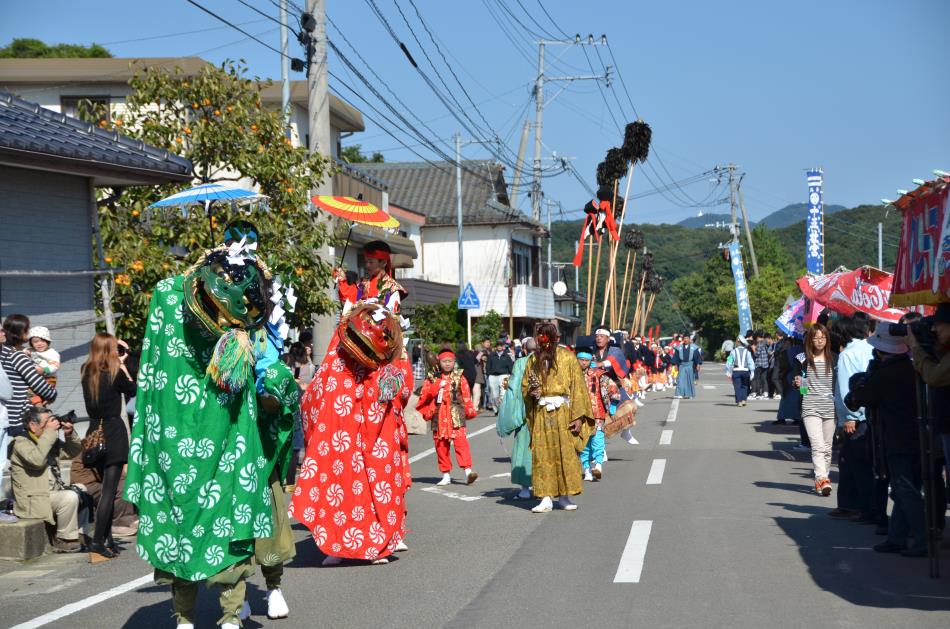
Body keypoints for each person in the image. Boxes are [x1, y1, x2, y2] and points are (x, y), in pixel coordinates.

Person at [124, 247, 281, 629]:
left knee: (213, 516)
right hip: (184, 428)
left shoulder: (228, 309)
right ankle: (191, 615)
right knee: (212, 515)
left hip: (215, 425)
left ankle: (225, 613)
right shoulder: (169, 296)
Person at [292, 276, 412, 566]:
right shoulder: (336, 363)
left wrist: (384, 392)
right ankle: (336, 544)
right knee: (338, 482)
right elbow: (315, 397)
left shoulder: (389, 358)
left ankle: (377, 544)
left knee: (377, 484)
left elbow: (402, 390)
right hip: (341, 436)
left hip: (376, 435)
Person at [846, 327, 926, 557]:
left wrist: (865, 379)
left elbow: (859, 398)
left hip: (896, 437)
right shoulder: (912, 367)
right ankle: (897, 536)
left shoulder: (885, 373)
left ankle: (921, 538)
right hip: (915, 434)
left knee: (904, 489)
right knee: (905, 488)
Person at [522, 323, 594, 513]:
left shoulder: (568, 357)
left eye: (546, 336)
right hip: (541, 412)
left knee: (566, 453)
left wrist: (578, 417)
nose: (543, 341)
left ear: (554, 338)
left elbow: (578, 388)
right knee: (542, 455)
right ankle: (545, 497)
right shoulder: (532, 360)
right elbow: (525, 386)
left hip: (563, 411)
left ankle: (564, 496)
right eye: (540, 337)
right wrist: (531, 392)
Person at [80, 333, 136, 560]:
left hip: (94, 431)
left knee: (105, 488)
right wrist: (123, 364)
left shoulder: (87, 371)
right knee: (109, 492)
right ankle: (97, 543)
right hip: (113, 432)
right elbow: (134, 390)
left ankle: (108, 538)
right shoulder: (114, 372)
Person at [9, 406, 83, 552]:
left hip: (50, 494)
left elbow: (72, 452)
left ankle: (80, 534)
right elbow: (36, 460)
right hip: (33, 500)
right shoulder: (20, 443)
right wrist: (49, 433)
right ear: (32, 425)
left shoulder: (46, 441)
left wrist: (69, 434)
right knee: (69, 497)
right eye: (47, 422)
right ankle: (64, 539)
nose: (51, 425)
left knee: (82, 489)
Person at [830, 315, 876, 522]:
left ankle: (858, 506)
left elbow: (847, 388)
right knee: (854, 461)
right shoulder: (870, 347)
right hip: (870, 413)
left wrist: (850, 416)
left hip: (855, 416)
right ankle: (851, 504)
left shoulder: (848, 354)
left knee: (854, 462)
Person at [416, 349, 479, 486]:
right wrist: (437, 386)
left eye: (450, 361)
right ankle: (446, 474)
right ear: (439, 362)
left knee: (461, 443)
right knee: (441, 446)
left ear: (454, 362)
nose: (447, 364)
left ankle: (468, 471)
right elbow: (424, 395)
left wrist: (469, 410)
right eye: (445, 361)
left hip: (455, 413)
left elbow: (466, 395)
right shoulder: (433, 377)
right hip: (439, 414)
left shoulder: (459, 376)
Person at [793, 324, 837, 496]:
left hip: (830, 408)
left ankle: (822, 477)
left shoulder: (835, 359)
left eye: (823, 337)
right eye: (816, 338)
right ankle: (822, 478)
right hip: (810, 406)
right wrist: (798, 384)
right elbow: (802, 387)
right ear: (810, 340)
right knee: (817, 446)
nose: (820, 341)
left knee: (827, 447)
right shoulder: (802, 359)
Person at [1, 315, 57, 438]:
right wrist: (53, 394)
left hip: (8, 414)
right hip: (21, 417)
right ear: (20, 332)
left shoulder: (3, 353)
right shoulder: (17, 356)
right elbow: (37, 383)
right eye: (27, 329)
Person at [496, 338, 536, 499]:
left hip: (525, 412)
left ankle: (525, 489)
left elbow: (514, 389)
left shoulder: (520, 363)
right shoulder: (552, 360)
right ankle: (548, 488)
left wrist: (510, 415)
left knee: (524, 448)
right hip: (549, 412)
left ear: (524, 350)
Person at [576, 348, 618, 481]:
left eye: (586, 360)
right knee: (583, 444)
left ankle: (598, 465)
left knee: (597, 440)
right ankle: (587, 470)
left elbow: (613, 388)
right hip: (578, 414)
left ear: (591, 360)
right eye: (581, 360)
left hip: (597, 413)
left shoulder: (599, 374)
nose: (583, 362)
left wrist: (612, 406)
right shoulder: (571, 374)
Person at [335, 240, 407, 314]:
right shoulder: (363, 284)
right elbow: (350, 299)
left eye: (371, 262)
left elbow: (393, 313)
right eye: (366, 262)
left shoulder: (392, 288)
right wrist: (343, 280)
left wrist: (370, 307)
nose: (367, 265)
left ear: (383, 263)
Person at [486, 339, 514, 414]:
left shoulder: (507, 356)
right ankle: (496, 409)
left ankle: (503, 409)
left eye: (501, 345)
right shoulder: (491, 355)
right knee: (494, 395)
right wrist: (488, 374)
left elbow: (510, 366)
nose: (499, 347)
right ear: (496, 347)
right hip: (493, 376)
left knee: (504, 392)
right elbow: (488, 365)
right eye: (498, 345)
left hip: (505, 376)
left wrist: (511, 374)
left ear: (503, 347)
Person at [726, 337, 755, 406]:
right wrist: (752, 372)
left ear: (739, 342)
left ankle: (739, 401)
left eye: (736, 341)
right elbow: (751, 363)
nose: (735, 342)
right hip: (745, 371)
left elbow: (729, 362)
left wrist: (728, 371)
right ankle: (744, 400)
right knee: (745, 386)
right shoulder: (747, 352)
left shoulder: (733, 351)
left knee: (737, 386)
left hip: (736, 371)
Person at [751, 332, 770, 400]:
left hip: (759, 364)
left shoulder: (759, 344)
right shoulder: (766, 343)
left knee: (758, 379)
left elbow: (757, 354)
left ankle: (759, 393)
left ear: (758, 338)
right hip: (765, 364)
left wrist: (753, 349)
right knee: (764, 379)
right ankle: (765, 392)